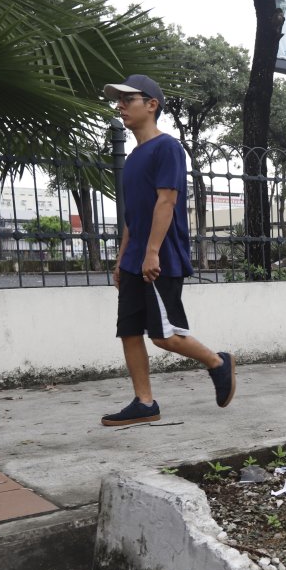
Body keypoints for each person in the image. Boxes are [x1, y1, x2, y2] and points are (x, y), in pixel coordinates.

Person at [101, 75, 235, 426]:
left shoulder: (168, 148)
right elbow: (133, 215)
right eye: (119, 101)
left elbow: (167, 201)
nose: (120, 106)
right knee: (129, 331)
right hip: (135, 259)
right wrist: (122, 259)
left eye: (127, 100)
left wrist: (152, 253)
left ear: (151, 104)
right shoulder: (133, 158)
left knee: (163, 335)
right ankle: (144, 402)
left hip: (160, 258)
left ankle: (218, 362)